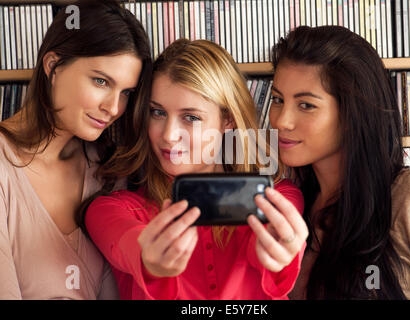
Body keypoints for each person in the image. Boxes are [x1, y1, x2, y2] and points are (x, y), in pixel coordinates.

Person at [83, 39, 309, 300]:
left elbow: (269, 255)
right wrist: (151, 262)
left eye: (191, 117)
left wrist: (281, 251)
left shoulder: (275, 197)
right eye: (157, 113)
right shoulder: (110, 210)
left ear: (228, 121)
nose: (168, 135)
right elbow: (126, 244)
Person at [269, 25, 410, 299]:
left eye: (306, 105)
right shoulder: (289, 204)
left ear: (353, 112)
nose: (281, 120)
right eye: (277, 99)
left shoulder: (409, 198)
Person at [0, 0, 152, 299]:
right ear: (53, 66)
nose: (113, 108)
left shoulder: (106, 170)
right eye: (100, 81)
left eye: (126, 93)